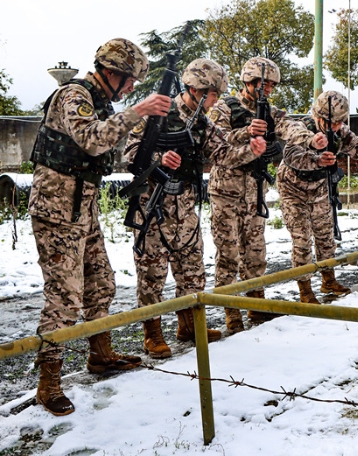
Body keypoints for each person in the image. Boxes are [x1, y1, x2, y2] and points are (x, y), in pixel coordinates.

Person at [28, 38, 172, 416]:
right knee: (64, 298)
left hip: (82, 210)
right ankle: (49, 383)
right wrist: (138, 111)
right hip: (57, 212)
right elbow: (92, 141)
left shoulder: (101, 103)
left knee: (102, 282)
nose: (131, 90)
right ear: (111, 72)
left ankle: (100, 354)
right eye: (129, 82)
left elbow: (106, 154)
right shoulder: (73, 94)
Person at [126, 58, 236, 359]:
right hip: (154, 207)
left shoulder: (203, 122)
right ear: (196, 89)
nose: (216, 101)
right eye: (213, 94)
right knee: (152, 274)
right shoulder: (157, 114)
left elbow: (223, 152)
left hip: (185, 208)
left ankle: (188, 325)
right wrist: (158, 160)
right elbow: (130, 155)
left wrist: (251, 148)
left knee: (192, 271)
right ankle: (153, 334)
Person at [207, 57, 326, 329]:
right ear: (248, 82)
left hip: (254, 189)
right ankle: (232, 312)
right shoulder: (224, 108)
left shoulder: (269, 112)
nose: (268, 89)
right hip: (226, 191)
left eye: (271, 85)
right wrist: (245, 132)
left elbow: (289, 125)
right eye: (263, 84)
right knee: (228, 253)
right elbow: (214, 140)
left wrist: (310, 138)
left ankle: (256, 305)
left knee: (256, 251)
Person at [277, 91, 358, 303]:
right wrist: (316, 160)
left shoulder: (341, 132)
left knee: (325, 235)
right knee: (301, 240)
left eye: (338, 123)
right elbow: (290, 155)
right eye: (330, 122)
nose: (334, 127)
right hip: (293, 188)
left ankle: (328, 280)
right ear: (317, 116)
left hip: (319, 186)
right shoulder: (303, 129)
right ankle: (305, 289)